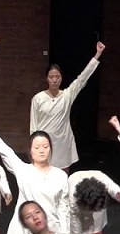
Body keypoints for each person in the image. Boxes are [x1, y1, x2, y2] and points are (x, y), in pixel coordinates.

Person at [29, 41, 106, 172]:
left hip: (62, 143)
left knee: (63, 176)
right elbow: (33, 126)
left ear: (61, 78)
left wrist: (97, 54)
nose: (54, 80)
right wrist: (33, 145)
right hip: (44, 142)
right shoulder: (38, 98)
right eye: (51, 77)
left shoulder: (67, 95)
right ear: (46, 79)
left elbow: (82, 79)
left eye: (57, 77)